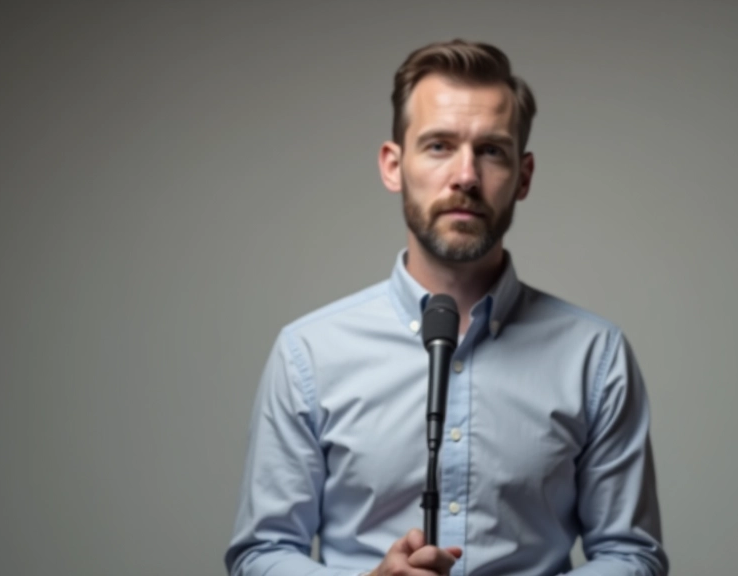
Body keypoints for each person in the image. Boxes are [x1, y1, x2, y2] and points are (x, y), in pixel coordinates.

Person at [224, 39, 668, 576]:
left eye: (491, 150)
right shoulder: (308, 355)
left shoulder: (595, 357)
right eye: (439, 146)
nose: (465, 176)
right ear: (394, 165)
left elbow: (631, 555)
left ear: (523, 176)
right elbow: (262, 553)